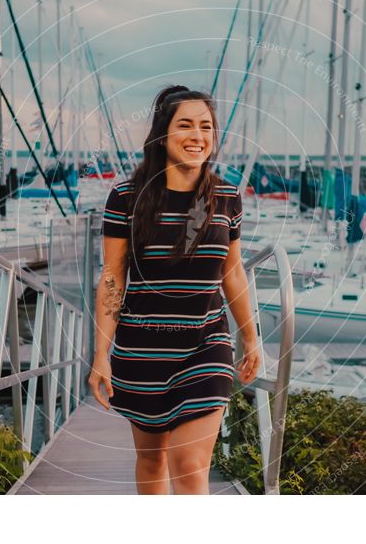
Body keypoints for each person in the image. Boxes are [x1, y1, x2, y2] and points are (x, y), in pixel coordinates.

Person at [88, 85, 260, 495]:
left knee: (190, 465)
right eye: (185, 124)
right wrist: (100, 357)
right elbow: (113, 278)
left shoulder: (226, 198)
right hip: (142, 351)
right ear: (163, 134)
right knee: (151, 460)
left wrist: (251, 338)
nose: (197, 135)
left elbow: (232, 273)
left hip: (206, 346)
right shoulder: (127, 199)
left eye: (206, 126)